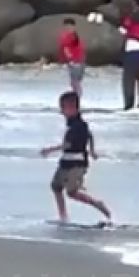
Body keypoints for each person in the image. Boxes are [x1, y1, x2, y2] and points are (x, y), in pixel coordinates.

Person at [39, 91, 112, 226]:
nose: (61, 111)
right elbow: (89, 135)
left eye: (63, 107)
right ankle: (63, 216)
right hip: (66, 161)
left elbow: (67, 144)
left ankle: (97, 204)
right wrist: (92, 150)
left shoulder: (78, 125)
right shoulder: (73, 123)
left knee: (71, 192)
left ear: (73, 108)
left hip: (77, 163)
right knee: (56, 186)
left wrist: (49, 150)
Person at [58, 17, 86, 97]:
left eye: (70, 26)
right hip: (73, 61)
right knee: (74, 82)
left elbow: (68, 49)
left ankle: (77, 98)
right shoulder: (66, 36)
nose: (68, 28)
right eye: (66, 27)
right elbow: (64, 49)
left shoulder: (73, 36)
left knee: (75, 82)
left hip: (77, 61)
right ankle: (77, 97)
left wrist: (72, 59)